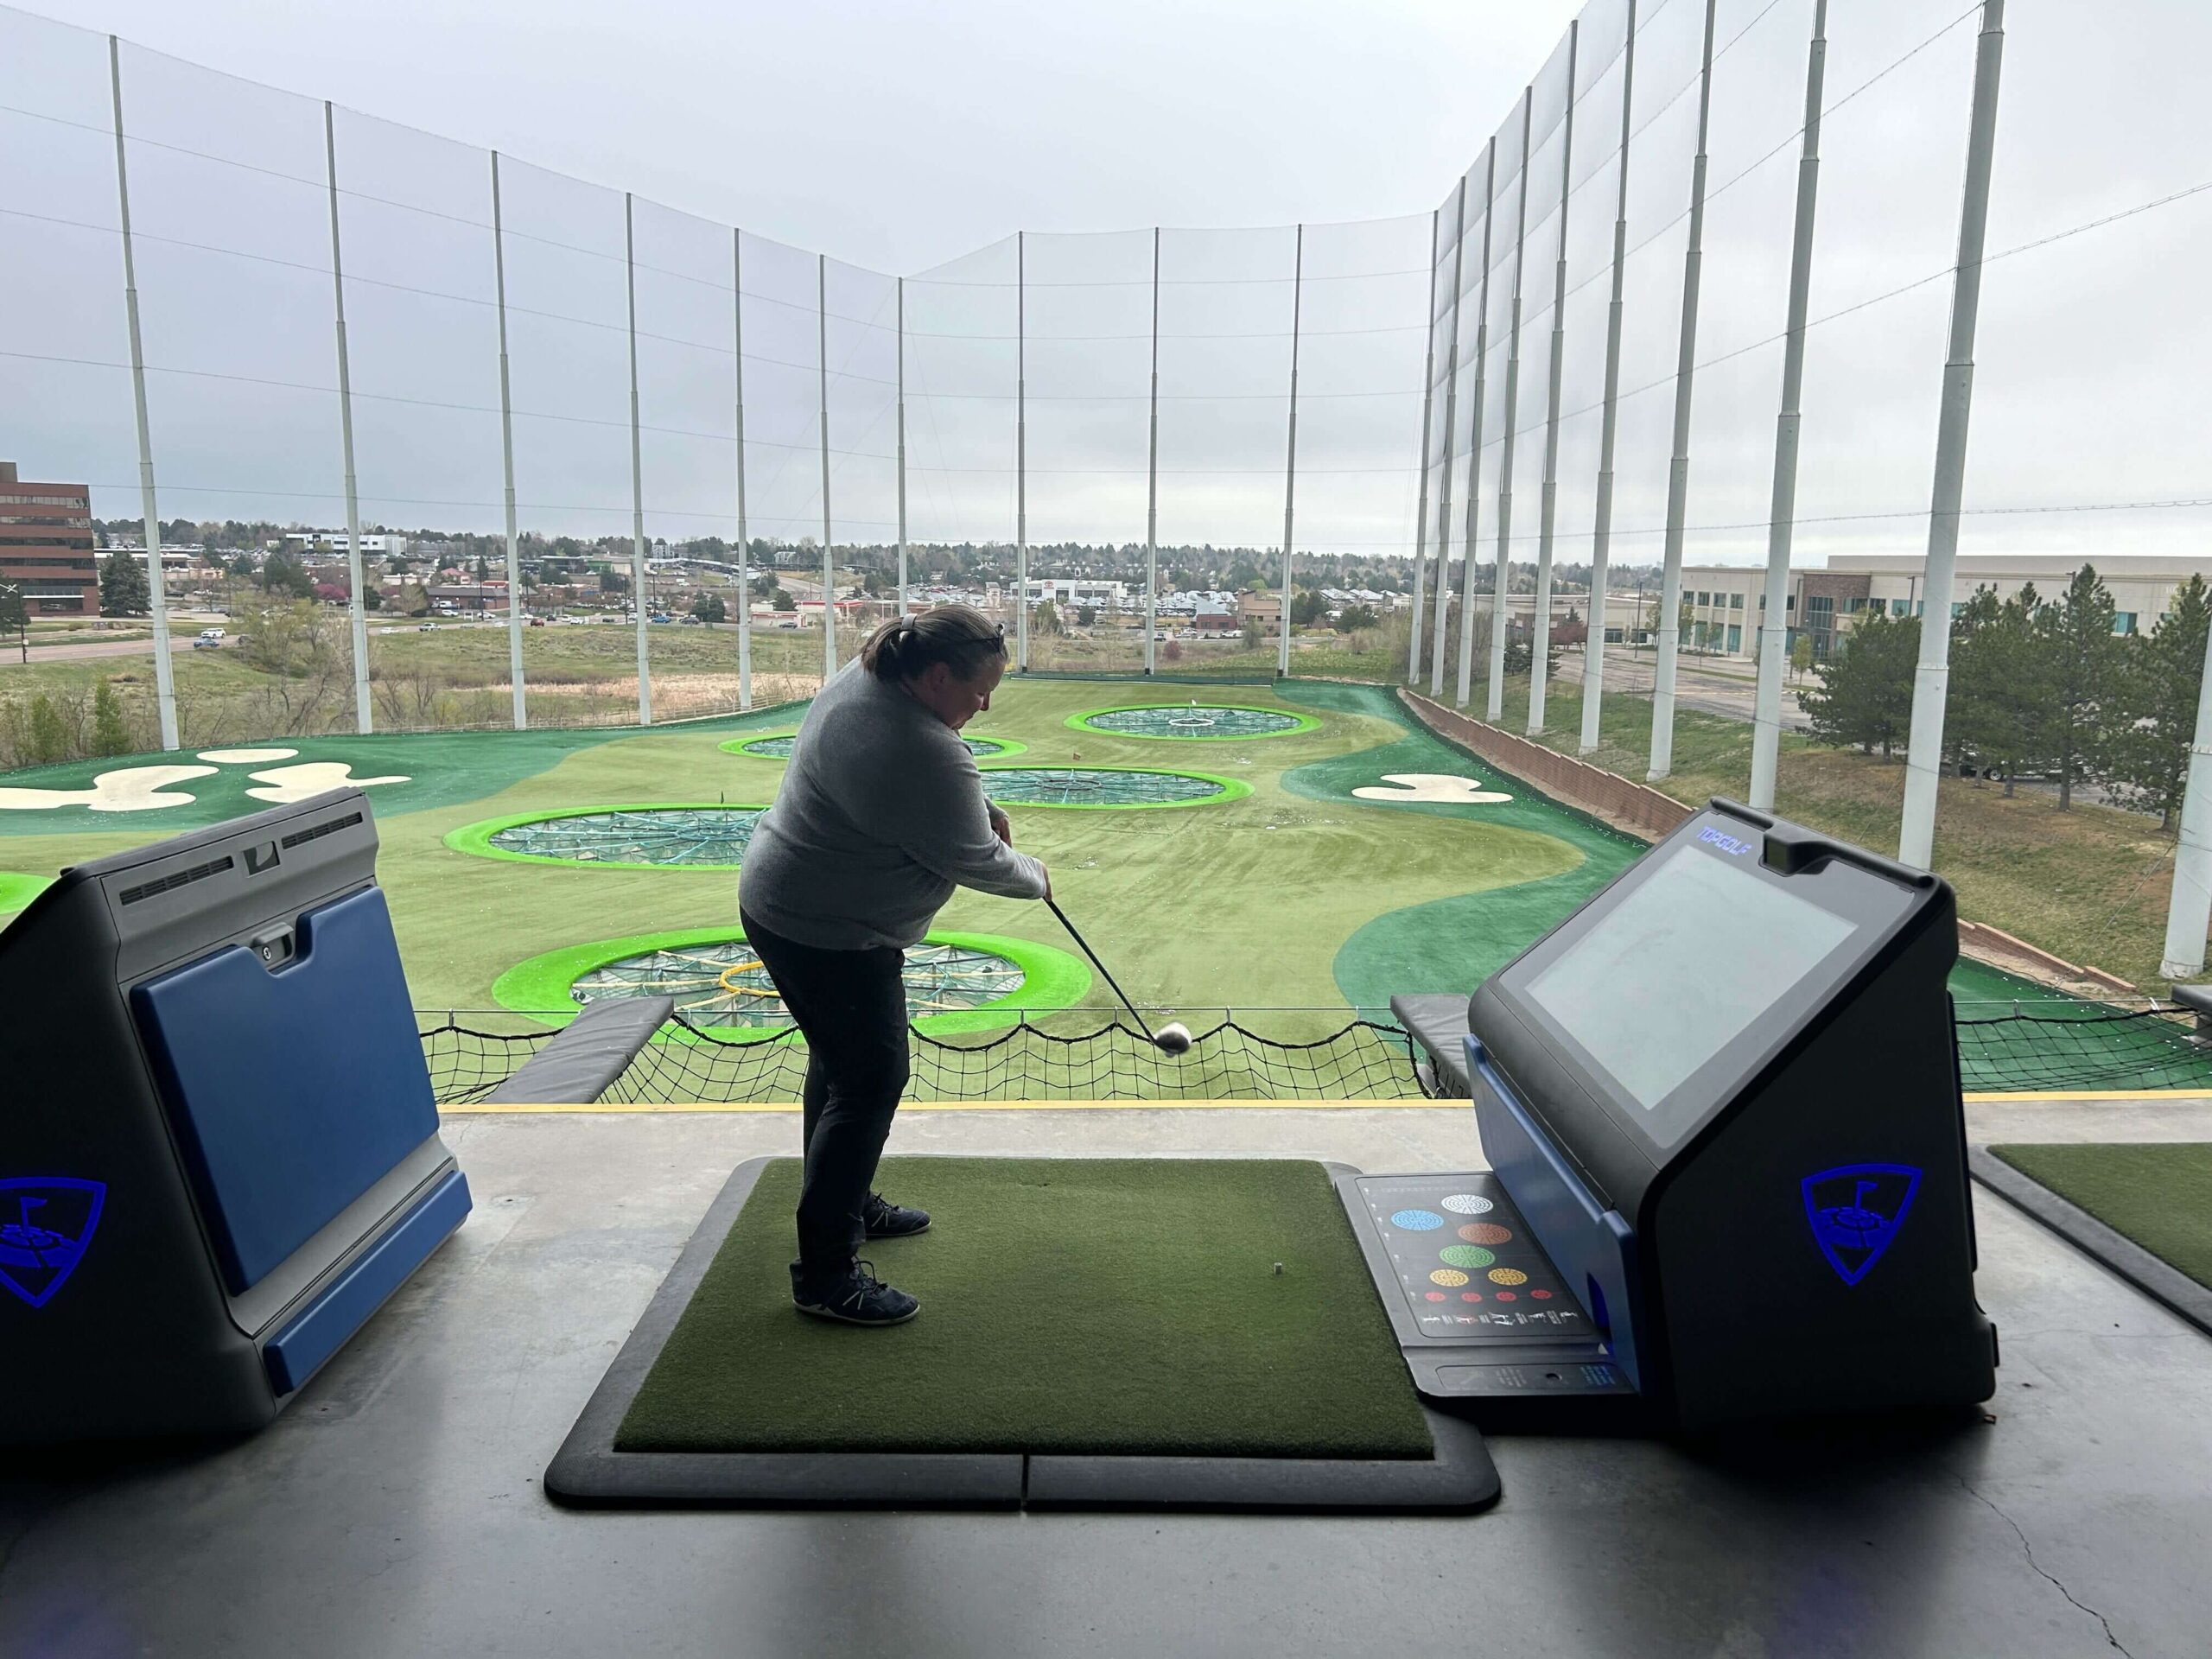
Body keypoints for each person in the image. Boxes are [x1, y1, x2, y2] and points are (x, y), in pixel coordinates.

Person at [738, 605, 1048, 1326]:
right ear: (937, 675)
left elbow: (930, 793)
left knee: (843, 1070)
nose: (985, 704)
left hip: (790, 903)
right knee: (872, 1078)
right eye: (979, 692)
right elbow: (975, 858)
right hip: (829, 930)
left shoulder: (870, 676)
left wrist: (979, 800)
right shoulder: (917, 745)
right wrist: (1036, 876)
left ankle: (848, 1206)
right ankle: (826, 1275)